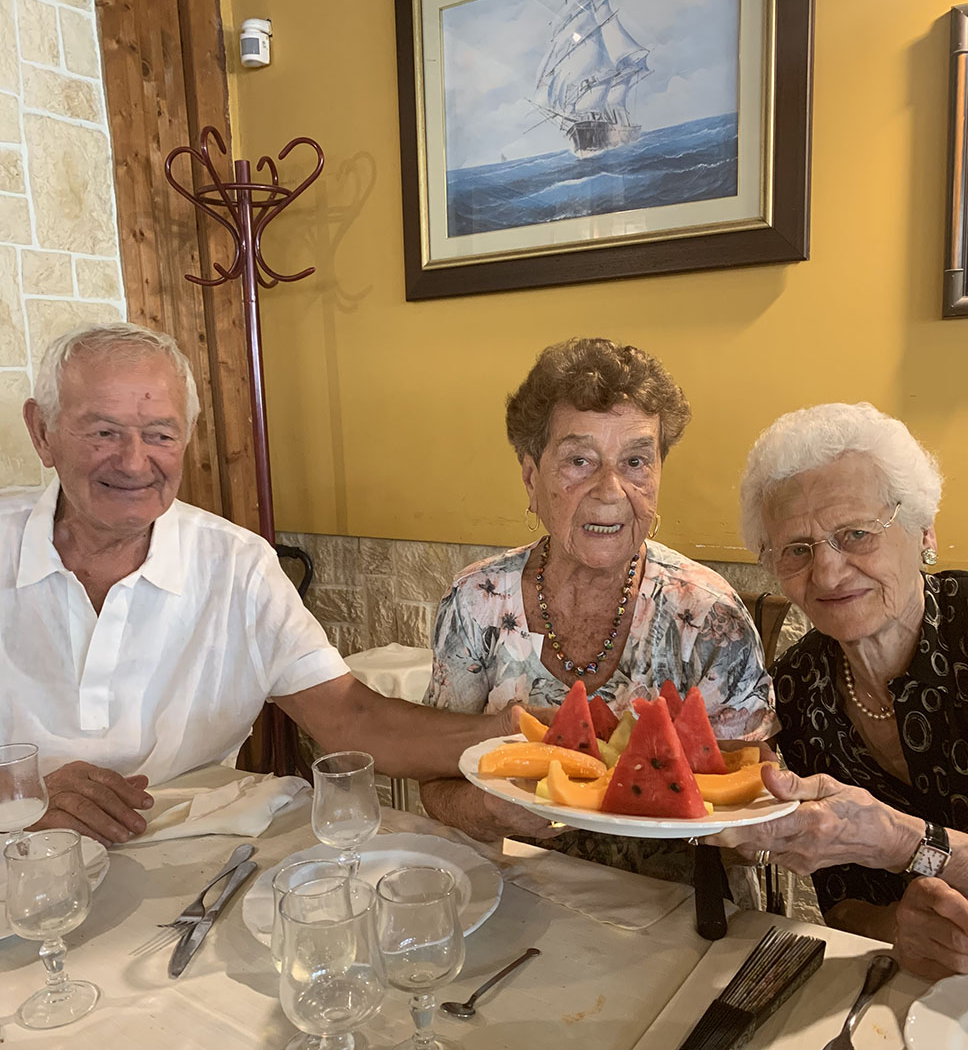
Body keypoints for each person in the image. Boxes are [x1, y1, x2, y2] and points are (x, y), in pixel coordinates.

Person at [0, 323, 510, 848]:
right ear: (42, 432)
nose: (133, 462)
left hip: (189, 863)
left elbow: (349, 718)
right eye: (103, 432)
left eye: (160, 434)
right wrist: (17, 793)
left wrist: (508, 735)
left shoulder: (238, 565)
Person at [420, 338, 776, 885]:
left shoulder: (710, 617)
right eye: (579, 461)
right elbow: (436, 783)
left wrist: (687, 811)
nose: (610, 491)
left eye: (635, 461)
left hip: (679, 907)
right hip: (520, 894)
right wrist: (490, 811)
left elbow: (748, 801)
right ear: (531, 477)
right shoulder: (476, 602)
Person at [715, 401, 968, 981]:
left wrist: (901, 841)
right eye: (797, 549)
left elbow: (888, 846)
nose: (827, 574)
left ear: (924, 532)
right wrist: (903, 928)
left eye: (856, 534)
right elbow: (844, 906)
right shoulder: (797, 691)